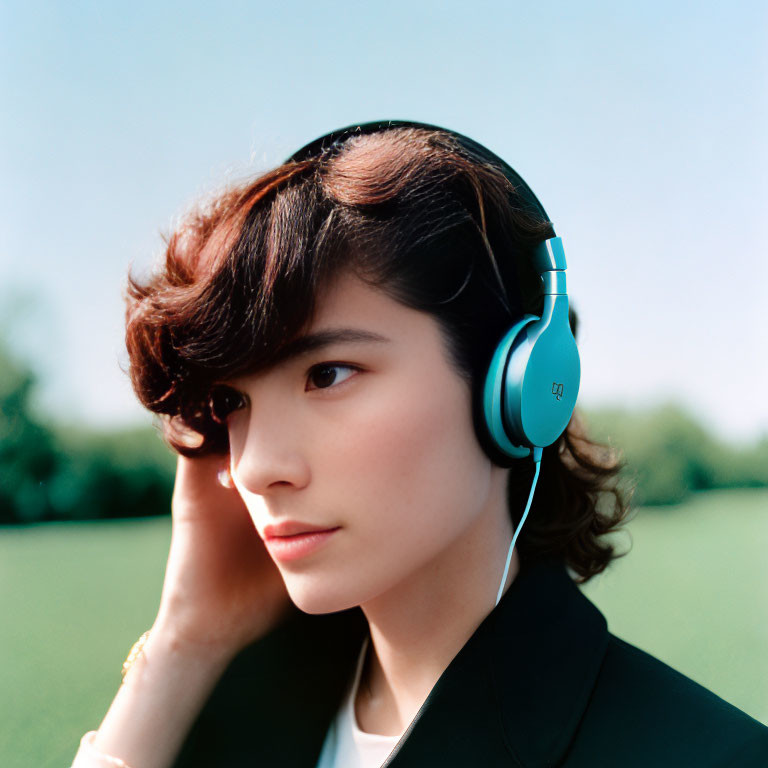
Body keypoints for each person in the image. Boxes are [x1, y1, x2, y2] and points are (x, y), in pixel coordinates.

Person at [70, 121, 768, 768]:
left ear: (518, 389)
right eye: (233, 402)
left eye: (327, 374)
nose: (254, 467)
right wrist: (185, 642)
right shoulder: (224, 718)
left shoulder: (710, 756)